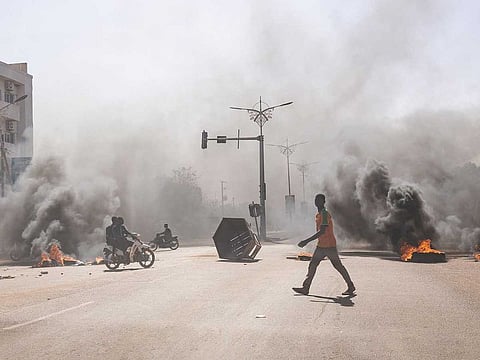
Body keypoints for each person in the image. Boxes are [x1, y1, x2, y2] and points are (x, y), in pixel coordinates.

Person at [292, 193, 356, 296]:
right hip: (321, 245)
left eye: (319, 200)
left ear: (324, 202)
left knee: (338, 266)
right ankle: (306, 287)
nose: (317, 202)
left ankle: (350, 285)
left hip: (329, 246)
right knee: (313, 264)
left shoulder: (325, 214)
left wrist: (306, 241)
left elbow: (322, 231)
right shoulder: (318, 215)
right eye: (316, 200)